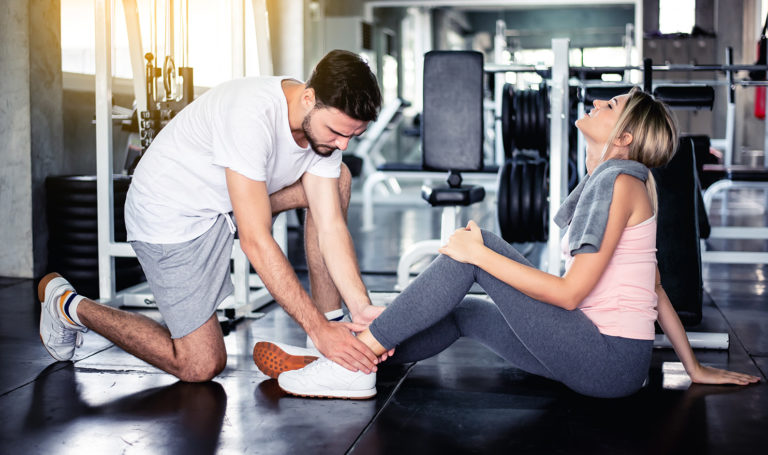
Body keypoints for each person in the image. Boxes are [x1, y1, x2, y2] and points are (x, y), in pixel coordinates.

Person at [256, 87, 761, 399]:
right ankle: (348, 365)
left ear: (624, 137)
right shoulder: (627, 181)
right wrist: (690, 366)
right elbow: (654, 288)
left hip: (603, 361)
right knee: (464, 310)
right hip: (609, 361)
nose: (597, 102)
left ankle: (354, 355)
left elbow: (568, 296)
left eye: (611, 105)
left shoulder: (620, 183)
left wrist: (478, 257)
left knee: (477, 254)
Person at [38, 49, 388, 382]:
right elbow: (255, 239)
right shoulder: (252, 113)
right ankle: (68, 305)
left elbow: (330, 226)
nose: (344, 145)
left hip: (227, 207)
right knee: (199, 364)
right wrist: (315, 328)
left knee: (336, 180)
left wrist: (361, 309)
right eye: (338, 132)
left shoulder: (323, 133)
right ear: (309, 98)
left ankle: (332, 331)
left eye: (353, 136)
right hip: (173, 216)